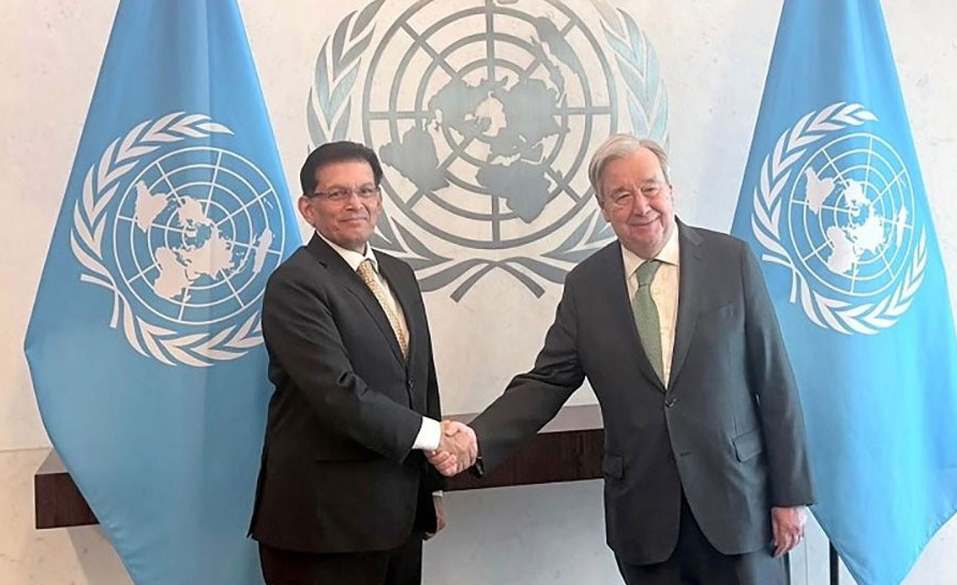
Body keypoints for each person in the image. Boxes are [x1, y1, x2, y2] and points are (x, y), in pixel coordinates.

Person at [429, 135, 815, 585]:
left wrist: (791, 495)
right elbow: (546, 383)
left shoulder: (731, 260)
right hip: (646, 519)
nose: (641, 206)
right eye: (621, 195)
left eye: (650, 188)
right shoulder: (587, 286)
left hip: (739, 506)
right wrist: (478, 437)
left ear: (671, 190)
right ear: (603, 208)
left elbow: (774, 381)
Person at [249, 141, 473, 585]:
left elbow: (420, 383)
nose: (355, 203)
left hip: (399, 515)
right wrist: (436, 436)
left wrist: (432, 489)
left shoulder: (399, 274)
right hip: (324, 527)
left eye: (365, 191)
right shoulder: (295, 284)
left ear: (379, 200)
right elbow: (338, 393)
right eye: (337, 194)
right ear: (308, 209)